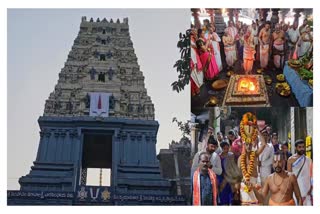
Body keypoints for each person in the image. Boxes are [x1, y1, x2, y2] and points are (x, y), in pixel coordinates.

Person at [237, 127, 267, 205]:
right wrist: (244, 182)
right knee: (245, 204)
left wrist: (257, 130)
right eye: (247, 144)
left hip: (254, 182)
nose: (248, 146)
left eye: (250, 144)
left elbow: (263, 144)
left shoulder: (255, 155)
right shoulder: (240, 158)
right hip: (244, 184)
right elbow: (238, 175)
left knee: (256, 204)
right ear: (244, 145)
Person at [287, 139, 313, 205]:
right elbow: (289, 176)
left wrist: (311, 187)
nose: (302, 149)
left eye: (303, 147)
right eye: (299, 147)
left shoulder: (308, 159)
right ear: (296, 148)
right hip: (296, 187)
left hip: (307, 188)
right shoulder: (290, 160)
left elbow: (311, 175)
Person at [190, 28, 203, 96]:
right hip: (191, 59)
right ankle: (193, 90)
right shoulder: (190, 38)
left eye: (195, 30)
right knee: (192, 74)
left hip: (196, 56)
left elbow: (198, 46)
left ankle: (197, 87)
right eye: (193, 31)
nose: (195, 32)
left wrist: (196, 38)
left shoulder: (194, 38)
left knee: (197, 72)